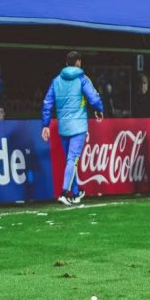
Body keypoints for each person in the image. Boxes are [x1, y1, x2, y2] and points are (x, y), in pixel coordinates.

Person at [41, 51, 103, 206]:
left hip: (63, 127)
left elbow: (47, 102)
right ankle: (64, 192)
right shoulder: (82, 79)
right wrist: (99, 109)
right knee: (72, 160)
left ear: (66, 62)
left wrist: (45, 125)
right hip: (79, 126)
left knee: (70, 161)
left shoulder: (56, 81)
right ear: (79, 63)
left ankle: (75, 193)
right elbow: (94, 98)